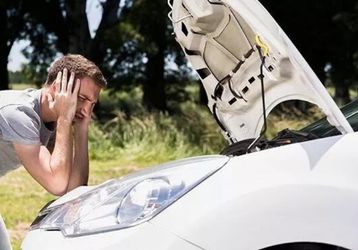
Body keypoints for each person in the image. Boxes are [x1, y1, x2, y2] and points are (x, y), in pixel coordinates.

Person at [0, 54, 107, 249]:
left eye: (91, 104)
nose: (84, 110)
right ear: (59, 89)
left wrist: (82, 130)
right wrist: (65, 118)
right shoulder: (18, 114)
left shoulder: (49, 119)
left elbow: (72, 192)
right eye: (81, 98)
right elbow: (57, 184)